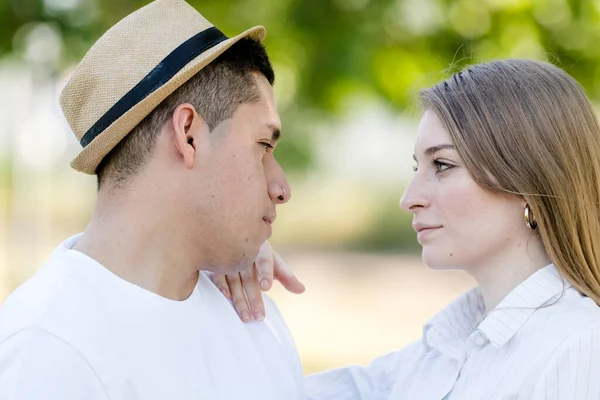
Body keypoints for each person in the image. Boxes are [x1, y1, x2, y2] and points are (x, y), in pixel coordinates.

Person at [219, 59, 600, 399]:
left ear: (525, 180)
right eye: (417, 168)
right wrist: (231, 252)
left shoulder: (578, 348)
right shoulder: (444, 347)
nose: (409, 198)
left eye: (443, 166)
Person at [0, 0, 306, 398]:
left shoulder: (250, 315)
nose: (281, 188)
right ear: (188, 135)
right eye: (263, 144)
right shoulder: (49, 352)